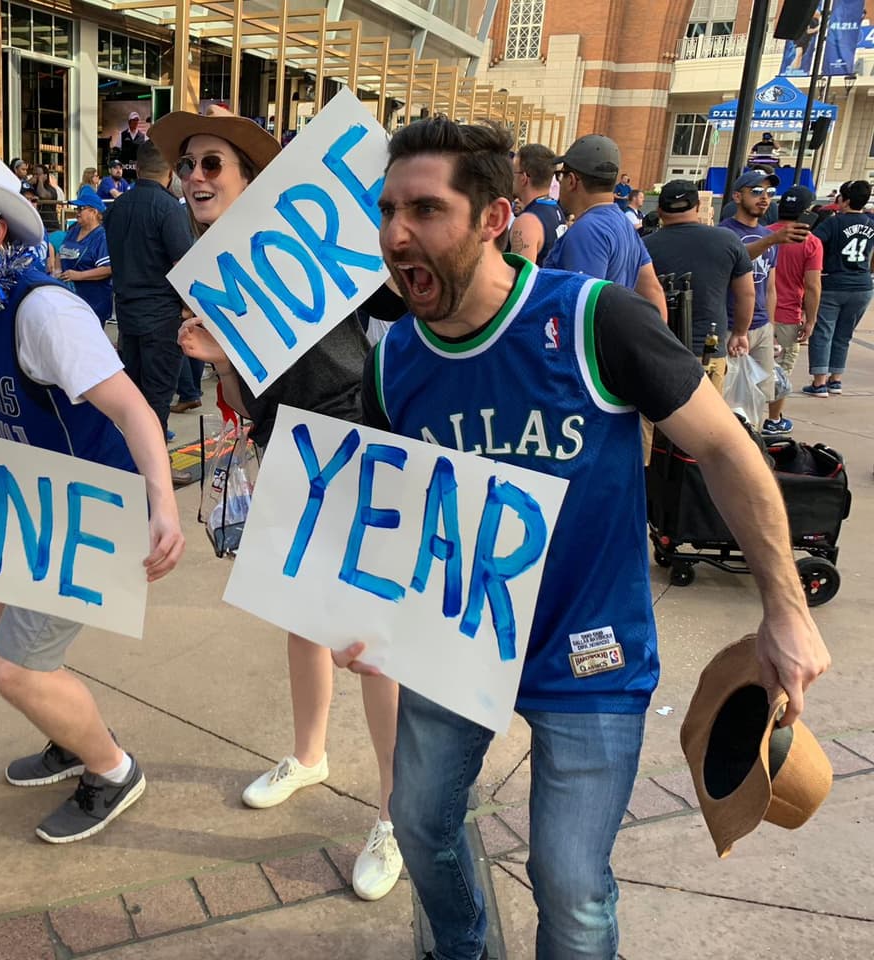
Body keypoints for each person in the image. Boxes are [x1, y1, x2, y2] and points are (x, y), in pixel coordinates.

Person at [347, 115, 829, 960]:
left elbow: (724, 449)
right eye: (387, 210)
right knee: (420, 827)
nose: (395, 234)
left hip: (589, 649)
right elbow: (393, 509)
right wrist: (369, 608)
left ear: (495, 218)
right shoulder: (395, 362)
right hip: (459, 644)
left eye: (424, 210)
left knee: (570, 885)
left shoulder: (594, 320)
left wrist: (785, 609)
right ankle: (459, 947)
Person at [0, 137, 184, 843]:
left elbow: (134, 409)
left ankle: (111, 768)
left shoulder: (43, 313)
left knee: (14, 668)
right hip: (38, 503)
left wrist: (162, 507)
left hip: (96, 510)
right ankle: (68, 728)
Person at [154, 105, 409, 902]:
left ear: (252, 182)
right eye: (188, 164)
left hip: (356, 444)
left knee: (372, 637)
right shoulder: (211, 275)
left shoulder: (314, 252)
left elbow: (400, 307)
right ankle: (309, 755)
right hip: (285, 450)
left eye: (212, 164)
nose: (194, 176)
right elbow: (246, 398)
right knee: (300, 612)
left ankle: (398, 814)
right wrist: (218, 358)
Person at [103, 141, 194, 437]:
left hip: (128, 315)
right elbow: (183, 265)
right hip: (162, 317)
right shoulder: (169, 208)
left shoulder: (115, 208)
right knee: (157, 398)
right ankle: (153, 471)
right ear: (169, 171)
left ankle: (135, 465)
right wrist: (187, 307)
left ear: (137, 169)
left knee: (134, 397)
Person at [643, 179, 754, 393]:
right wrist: (740, 332)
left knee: (649, 421)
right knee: (706, 422)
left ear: (659, 210)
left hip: (657, 349)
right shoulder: (728, 240)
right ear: (698, 207)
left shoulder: (643, 246)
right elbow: (747, 293)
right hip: (707, 352)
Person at [545, 135, 668, 317]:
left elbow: (581, 310)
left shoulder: (587, 231)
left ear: (572, 180)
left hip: (588, 344)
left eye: (560, 176)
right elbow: (653, 292)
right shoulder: (624, 224)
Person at [719, 170, 794, 406]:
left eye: (770, 192)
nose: (764, 198)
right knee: (727, 396)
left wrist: (770, 329)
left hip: (761, 326)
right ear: (738, 197)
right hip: (730, 324)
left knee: (760, 396)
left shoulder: (769, 236)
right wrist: (770, 240)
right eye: (756, 191)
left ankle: (754, 437)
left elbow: (770, 287)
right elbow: (736, 260)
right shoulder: (724, 233)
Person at [804, 178, 874, 398]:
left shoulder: (834, 222)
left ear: (844, 200)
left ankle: (819, 381)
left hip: (833, 282)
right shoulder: (871, 222)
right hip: (862, 284)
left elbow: (813, 243)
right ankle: (836, 379)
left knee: (823, 332)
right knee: (844, 334)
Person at [764, 186, 822, 434]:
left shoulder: (763, 235)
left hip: (758, 314)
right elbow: (812, 285)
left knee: (753, 369)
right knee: (779, 373)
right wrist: (811, 319)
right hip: (787, 315)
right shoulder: (810, 242)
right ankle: (774, 420)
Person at [56, 186, 113, 326]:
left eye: (81, 209)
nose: (77, 212)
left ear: (94, 212)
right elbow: (61, 251)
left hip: (93, 303)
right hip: (69, 301)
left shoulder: (102, 237)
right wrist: (57, 271)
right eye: (77, 209)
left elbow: (108, 269)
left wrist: (79, 275)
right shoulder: (74, 230)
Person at [507, 143, 565, 267]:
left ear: (524, 178)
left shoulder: (527, 222)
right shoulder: (555, 209)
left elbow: (520, 279)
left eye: (513, 172)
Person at [118, 111, 149, 183]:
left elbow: (145, 152)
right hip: (125, 168)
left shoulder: (143, 136)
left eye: (137, 120)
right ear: (129, 122)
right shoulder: (122, 135)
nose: (135, 122)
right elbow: (118, 150)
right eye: (133, 120)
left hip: (137, 168)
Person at [31, 163, 63, 231]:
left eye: (38, 174)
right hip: (36, 226)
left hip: (50, 226)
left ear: (45, 176)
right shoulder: (31, 188)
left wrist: (40, 180)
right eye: (34, 174)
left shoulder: (51, 189)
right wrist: (28, 183)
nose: (35, 176)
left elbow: (42, 194)